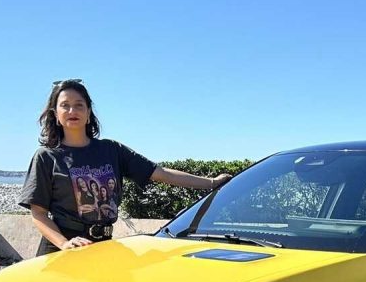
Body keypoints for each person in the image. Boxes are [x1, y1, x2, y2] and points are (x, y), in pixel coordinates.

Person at [19, 79, 232, 254]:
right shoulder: (47, 157)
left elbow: (160, 173)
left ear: (88, 111)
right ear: (55, 114)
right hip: (62, 250)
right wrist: (64, 244)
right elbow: (38, 214)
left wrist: (211, 183)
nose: (72, 110)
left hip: (104, 245)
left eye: (79, 104)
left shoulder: (112, 150)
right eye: (65, 105)